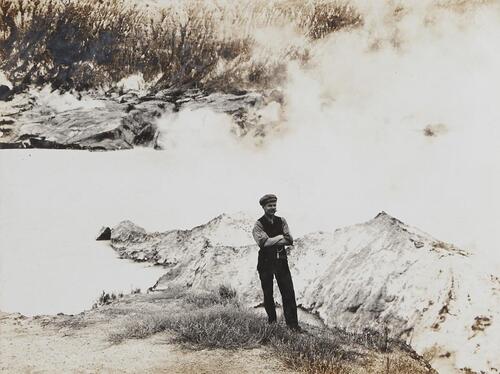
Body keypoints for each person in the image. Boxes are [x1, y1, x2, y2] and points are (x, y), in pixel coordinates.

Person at [252, 194, 302, 331]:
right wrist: (280, 237)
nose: (273, 208)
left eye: (274, 205)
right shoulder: (258, 224)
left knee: (288, 293)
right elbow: (263, 243)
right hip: (265, 262)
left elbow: (290, 240)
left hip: (281, 261)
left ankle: (293, 325)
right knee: (268, 294)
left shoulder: (282, 220)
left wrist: (272, 240)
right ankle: (272, 323)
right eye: (269, 206)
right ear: (263, 207)